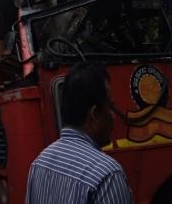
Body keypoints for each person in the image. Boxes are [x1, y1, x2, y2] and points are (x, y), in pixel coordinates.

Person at [26, 62, 132, 204]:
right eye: (110, 106)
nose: (113, 116)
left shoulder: (39, 164)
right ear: (94, 114)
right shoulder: (107, 175)